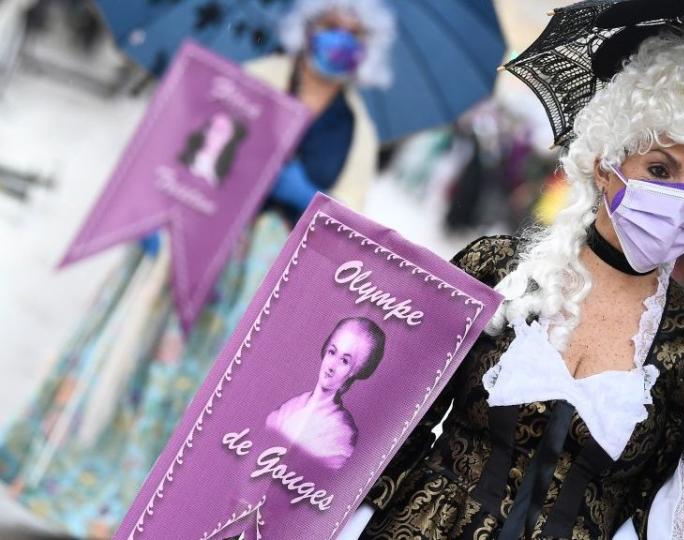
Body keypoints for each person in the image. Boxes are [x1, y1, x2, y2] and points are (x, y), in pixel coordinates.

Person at [336, 26, 684, 540]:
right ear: (605, 165)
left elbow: (678, 532)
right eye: (660, 168)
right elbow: (390, 426)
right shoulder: (497, 270)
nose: (680, 200)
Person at [0, 1, 393, 537]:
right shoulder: (257, 79)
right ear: (307, 31)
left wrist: (305, 195)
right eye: (332, 30)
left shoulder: (357, 130)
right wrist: (160, 218)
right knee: (129, 357)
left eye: (355, 36)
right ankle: (64, 476)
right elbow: (188, 148)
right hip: (191, 246)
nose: (341, 45)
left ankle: (136, 504)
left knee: (194, 390)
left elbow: (348, 228)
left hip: (256, 282)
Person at [266, 317, 385, 469]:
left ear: (355, 372)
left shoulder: (343, 433)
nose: (331, 366)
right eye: (332, 352)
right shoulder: (290, 406)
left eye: (344, 361)